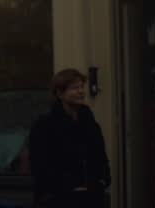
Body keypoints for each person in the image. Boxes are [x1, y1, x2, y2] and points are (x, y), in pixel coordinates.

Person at [28, 68, 111, 208]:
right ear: (60, 93)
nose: (81, 92)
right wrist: (66, 187)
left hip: (91, 198)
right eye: (74, 88)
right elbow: (39, 164)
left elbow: (100, 156)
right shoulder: (45, 124)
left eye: (81, 87)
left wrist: (102, 181)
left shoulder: (89, 122)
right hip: (59, 199)